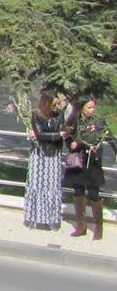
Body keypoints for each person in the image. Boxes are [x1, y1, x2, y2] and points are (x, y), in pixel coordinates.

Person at [25, 89, 67, 231]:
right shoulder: (36, 115)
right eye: (53, 105)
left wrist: (57, 135)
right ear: (46, 103)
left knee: (53, 187)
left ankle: (52, 218)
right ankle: (36, 218)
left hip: (54, 154)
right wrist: (56, 135)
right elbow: (39, 134)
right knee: (37, 185)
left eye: (57, 105)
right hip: (39, 154)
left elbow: (61, 132)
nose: (56, 108)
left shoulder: (59, 115)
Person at [66, 96, 106, 240]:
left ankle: (98, 227)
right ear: (81, 108)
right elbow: (67, 136)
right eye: (89, 107)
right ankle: (81, 226)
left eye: (93, 107)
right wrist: (71, 144)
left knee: (94, 193)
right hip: (78, 161)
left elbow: (108, 137)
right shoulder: (74, 121)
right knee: (78, 191)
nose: (92, 110)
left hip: (93, 162)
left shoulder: (99, 121)